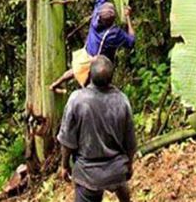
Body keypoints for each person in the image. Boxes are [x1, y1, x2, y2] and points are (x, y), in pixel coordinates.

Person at [58, 55, 137, 202]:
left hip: (88, 173)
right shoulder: (122, 100)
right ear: (112, 78)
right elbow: (130, 142)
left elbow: (67, 140)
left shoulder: (77, 100)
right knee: (119, 183)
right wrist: (129, 166)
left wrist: (64, 165)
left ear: (89, 75)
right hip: (116, 169)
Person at [50, 0, 135, 92]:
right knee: (92, 87)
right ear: (112, 20)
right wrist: (128, 18)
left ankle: (56, 84)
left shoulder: (97, 14)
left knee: (75, 70)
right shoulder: (113, 34)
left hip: (86, 54)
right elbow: (131, 41)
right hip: (97, 64)